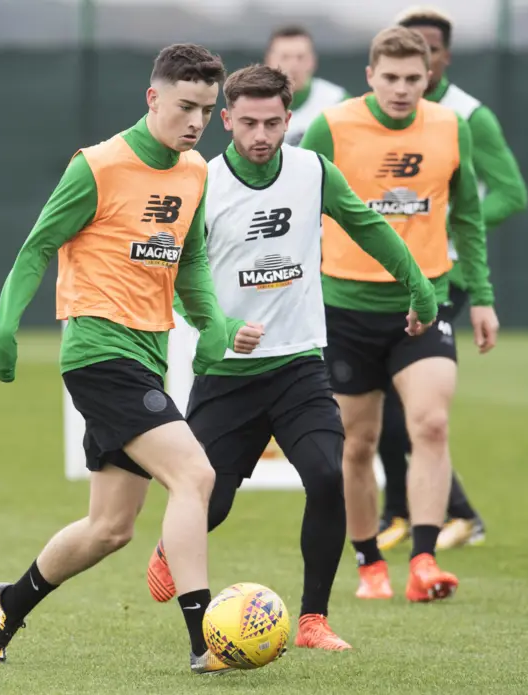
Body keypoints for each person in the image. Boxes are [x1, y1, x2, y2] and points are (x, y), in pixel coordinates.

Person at [0, 43, 260, 675]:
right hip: (99, 352)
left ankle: (7, 604)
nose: (195, 122)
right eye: (185, 106)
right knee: (195, 476)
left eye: (208, 111)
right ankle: (203, 639)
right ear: (153, 97)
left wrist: (213, 324)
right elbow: (36, 246)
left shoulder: (196, 173)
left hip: (148, 354)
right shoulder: (98, 166)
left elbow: (188, 261)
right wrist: (3, 325)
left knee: (110, 528)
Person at [146, 63, 438, 645]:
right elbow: (174, 276)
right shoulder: (199, 182)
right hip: (227, 375)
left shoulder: (312, 170)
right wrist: (223, 326)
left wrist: (419, 285)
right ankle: (169, 545)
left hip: (300, 364)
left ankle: (313, 619)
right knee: (211, 499)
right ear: (225, 120)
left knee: (329, 476)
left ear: (288, 120)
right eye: (248, 122)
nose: (260, 135)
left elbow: (368, 226)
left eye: (273, 123)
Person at [301, 27, 499, 601]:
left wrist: (480, 295)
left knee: (431, 425)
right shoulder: (331, 126)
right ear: (370, 76)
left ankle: (424, 560)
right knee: (357, 444)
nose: (402, 88)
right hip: (345, 309)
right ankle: (368, 563)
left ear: (428, 77)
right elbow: (297, 207)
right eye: (391, 77)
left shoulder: (450, 126)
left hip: (424, 303)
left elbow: (467, 220)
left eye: (414, 78)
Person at [376, 6, 528, 552]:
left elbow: (512, 193)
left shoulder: (468, 116)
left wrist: (437, 220)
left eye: (426, 49)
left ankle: (445, 513)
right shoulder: (378, 113)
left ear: (442, 57)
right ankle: (403, 511)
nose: (414, 57)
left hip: (446, 274)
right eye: (403, 48)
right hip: (379, 278)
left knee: (407, 402)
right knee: (381, 404)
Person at [265, 25, 350, 146]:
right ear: (269, 61)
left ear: (312, 61)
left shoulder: (337, 101)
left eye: (301, 57)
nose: (293, 65)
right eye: (285, 57)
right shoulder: (252, 103)